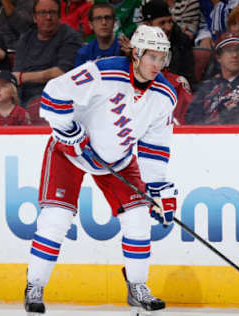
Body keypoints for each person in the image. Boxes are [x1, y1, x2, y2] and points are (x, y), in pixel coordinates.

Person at [23, 25, 178, 315]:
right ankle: (35, 286)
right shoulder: (102, 72)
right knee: (56, 218)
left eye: (162, 58)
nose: (157, 64)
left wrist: (157, 189)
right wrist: (68, 130)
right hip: (71, 153)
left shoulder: (165, 96)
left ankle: (137, 287)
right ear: (136, 53)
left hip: (118, 160)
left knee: (139, 218)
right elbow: (54, 92)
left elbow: (154, 147)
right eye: (152, 57)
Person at [12, 0, 83, 106]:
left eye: (52, 12)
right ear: (35, 18)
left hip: (54, 97)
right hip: (23, 96)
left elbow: (62, 72)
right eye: (43, 13)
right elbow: (16, 75)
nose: (48, 17)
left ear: (59, 16)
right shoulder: (26, 37)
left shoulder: (70, 36)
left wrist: (23, 77)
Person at [185, 32, 239, 124]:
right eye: (229, 51)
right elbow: (191, 119)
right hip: (206, 135)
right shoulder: (207, 87)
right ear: (218, 57)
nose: (235, 55)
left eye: (238, 51)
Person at [140, 0, 196, 87]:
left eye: (170, 22)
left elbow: (188, 78)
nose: (168, 28)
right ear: (148, 25)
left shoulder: (182, 42)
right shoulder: (136, 43)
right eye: (162, 23)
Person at [74, 2, 120, 67]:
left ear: (114, 22)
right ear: (90, 25)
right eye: (98, 18)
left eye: (108, 18)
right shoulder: (83, 53)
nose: (104, 22)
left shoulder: (125, 49)